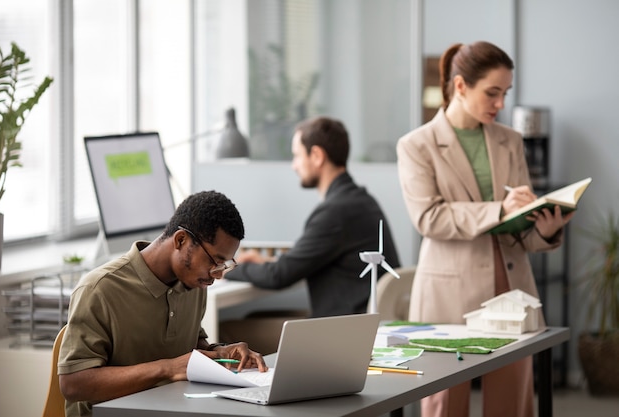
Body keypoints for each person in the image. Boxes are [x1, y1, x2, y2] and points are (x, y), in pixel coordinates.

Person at [396, 41, 574, 417]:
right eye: (492, 93)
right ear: (460, 86)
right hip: (448, 291)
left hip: (512, 286)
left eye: (505, 93)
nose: (500, 103)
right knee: (445, 402)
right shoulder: (417, 145)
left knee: (513, 402)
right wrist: (498, 209)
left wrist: (544, 228)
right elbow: (429, 217)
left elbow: (517, 229)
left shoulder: (510, 141)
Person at [58, 191, 268, 417]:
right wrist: (168, 369)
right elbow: (73, 384)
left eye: (224, 264)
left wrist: (221, 353)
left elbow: (190, 346)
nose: (217, 275)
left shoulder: (194, 283)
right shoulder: (98, 289)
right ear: (180, 240)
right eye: (214, 261)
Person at [225, 116, 400, 318]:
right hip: (362, 323)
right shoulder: (362, 201)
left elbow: (279, 276)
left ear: (316, 155)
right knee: (255, 318)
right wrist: (267, 261)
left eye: (297, 156)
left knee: (234, 329)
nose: (294, 166)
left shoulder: (336, 212)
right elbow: (300, 263)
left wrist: (227, 270)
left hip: (345, 329)